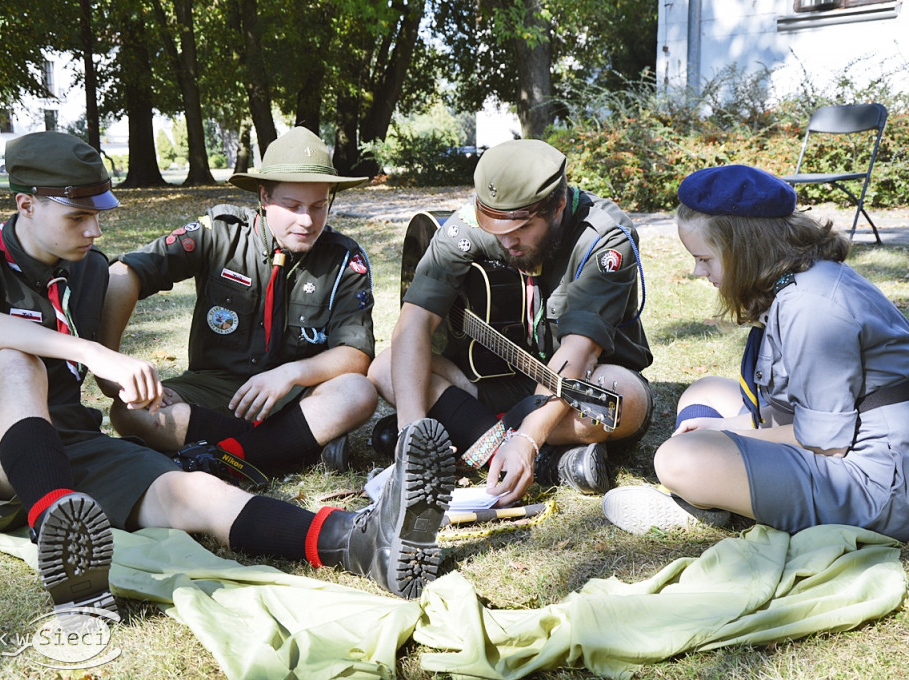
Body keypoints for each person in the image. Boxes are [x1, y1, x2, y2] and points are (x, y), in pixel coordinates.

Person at [0, 130, 457, 613]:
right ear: (25, 205)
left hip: (67, 448)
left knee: (193, 492)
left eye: (98, 215)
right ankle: (59, 538)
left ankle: (354, 544)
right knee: (16, 362)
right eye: (78, 217)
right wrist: (98, 355)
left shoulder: (87, 270)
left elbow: (354, 356)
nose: (95, 230)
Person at [602, 165, 909, 541]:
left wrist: (728, 430)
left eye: (705, 258)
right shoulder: (798, 278)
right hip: (842, 439)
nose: (699, 272)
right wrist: (728, 429)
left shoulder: (811, 308)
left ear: (744, 250)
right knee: (705, 391)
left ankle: (702, 503)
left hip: (873, 480)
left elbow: (827, 444)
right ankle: (719, 493)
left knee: (676, 459)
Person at [368, 139, 654, 507]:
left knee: (621, 401)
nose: (506, 241)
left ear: (558, 207)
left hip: (579, 388)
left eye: (520, 229)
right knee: (384, 368)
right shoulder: (474, 224)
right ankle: (550, 463)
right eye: (495, 227)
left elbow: (578, 353)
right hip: (494, 382)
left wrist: (528, 440)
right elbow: (414, 323)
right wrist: (411, 432)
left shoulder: (605, 240)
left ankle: (487, 441)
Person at [99, 126, 377, 476]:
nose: (307, 220)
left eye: (319, 206)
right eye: (292, 206)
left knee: (358, 392)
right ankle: (290, 449)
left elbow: (355, 354)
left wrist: (290, 374)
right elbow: (125, 274)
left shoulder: (344, 259)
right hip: (211, 389)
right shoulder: (220, 233)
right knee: (128, 411)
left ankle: (225, 455)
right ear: (264, 196)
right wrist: (108, 367)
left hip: (296, 398)